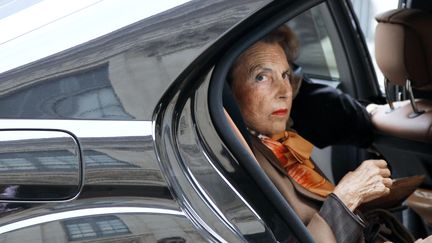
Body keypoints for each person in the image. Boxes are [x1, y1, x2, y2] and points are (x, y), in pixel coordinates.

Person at [228, 25, 431, 243]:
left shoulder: (281, 143)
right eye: (261, 77)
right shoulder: (235, 164)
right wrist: (347, 196)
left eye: (285, 75)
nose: (284, 90)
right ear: (229, 91)